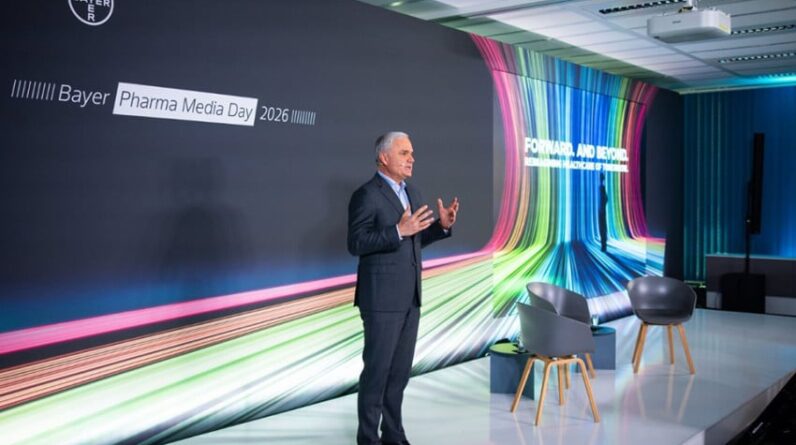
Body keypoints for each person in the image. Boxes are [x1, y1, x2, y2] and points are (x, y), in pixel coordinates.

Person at [348, 131, 459, 445]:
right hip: (381, 301)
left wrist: (441, 227)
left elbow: (414, 240)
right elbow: (356, 242)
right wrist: (397, 231)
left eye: (411, 153)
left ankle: (393, 435)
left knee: (398, 374)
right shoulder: (366, 195)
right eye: (404, 153)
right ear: (384, 157)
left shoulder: (413, 192)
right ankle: (367, 438)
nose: (412, 159)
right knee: (377, 373)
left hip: (411, 298)